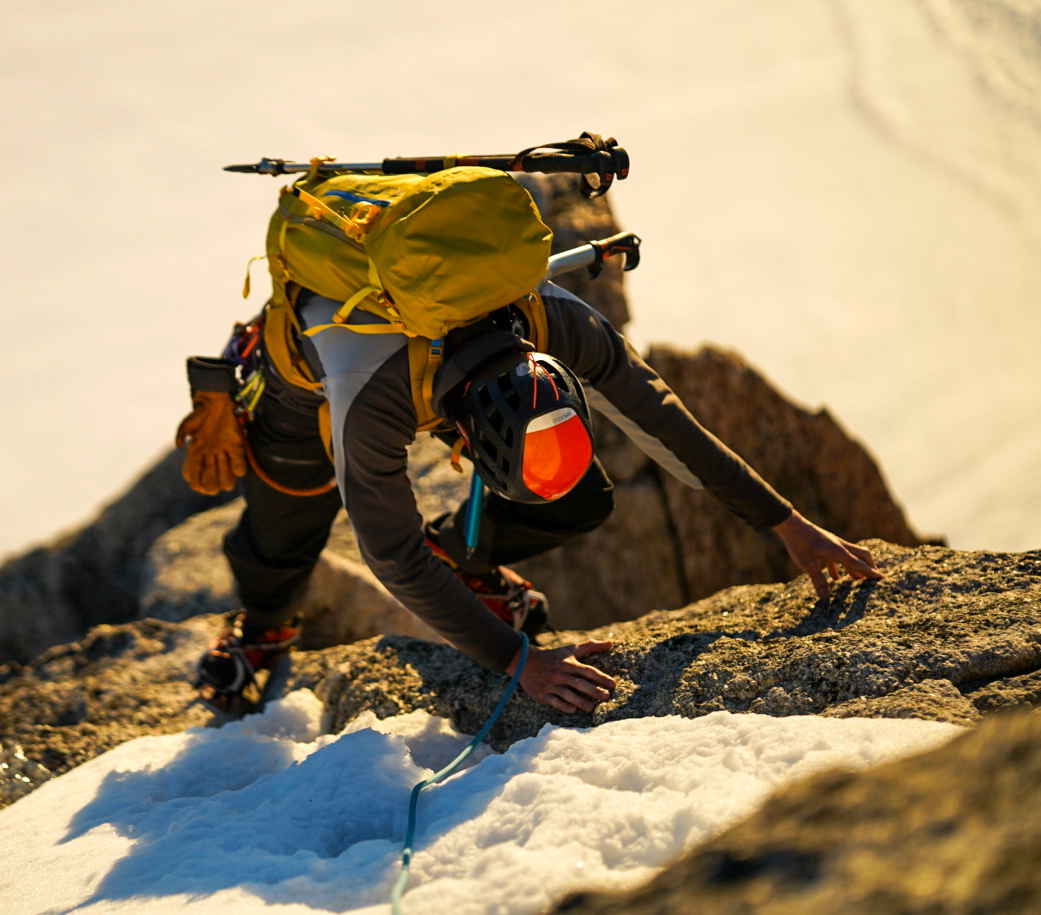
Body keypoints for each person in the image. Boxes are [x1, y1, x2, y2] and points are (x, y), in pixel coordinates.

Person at [176, 266, 884, 716]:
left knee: (579, 493)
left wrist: (787, 523)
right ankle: (264, 630)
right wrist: (521, 664)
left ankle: (460, 556)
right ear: (467, 435)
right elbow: (389, 553)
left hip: (437, 366)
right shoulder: (374, 393)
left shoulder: (554, 319)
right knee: (284, 531)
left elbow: (664, 422)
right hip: (300, 386)